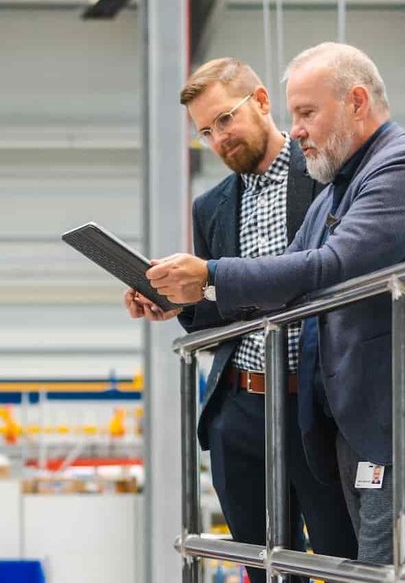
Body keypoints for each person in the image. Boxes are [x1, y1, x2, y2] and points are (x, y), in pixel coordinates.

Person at [144, 42, 405, 573]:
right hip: (373, 420)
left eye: (308, 113)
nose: (300, 130)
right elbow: (290, 281)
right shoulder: (338, 189)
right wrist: (189, 292)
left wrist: (211, 274)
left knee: (389, 570)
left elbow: (332, 267)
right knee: (395, 569)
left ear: (357, 102)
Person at [125, 57, 356, 581]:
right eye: (205, 131)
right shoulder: (212, 206)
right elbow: (216, 308)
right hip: (240, 407)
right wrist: (174, 304)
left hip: (316, 405)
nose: (218, 138)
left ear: (262, 102)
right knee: (261, 565)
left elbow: (335, 274)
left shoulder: (324, 176)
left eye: (225, 119)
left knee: (340, 556)